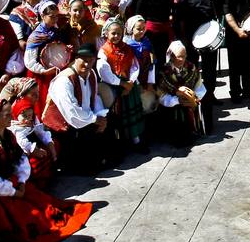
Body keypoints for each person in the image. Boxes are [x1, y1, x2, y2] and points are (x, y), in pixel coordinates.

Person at [0, 98, 93, 242]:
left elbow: (20, 158)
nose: (11, 118)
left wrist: (23, 180)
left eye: (10, 113)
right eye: (6, 115)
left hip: (13, 182)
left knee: (43, 206)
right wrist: (14, 192)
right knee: (22, 221)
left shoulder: (9, 135)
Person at [43, 45, 109, 173]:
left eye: (90, 60)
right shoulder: (64, 80)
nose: (87, 64)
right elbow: (71, 111)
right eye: (83, 60)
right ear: (76, 59)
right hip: (63, 125)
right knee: (87, 164)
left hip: (84, 119)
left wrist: (101, 117)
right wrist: (95, 119)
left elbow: (94, 98)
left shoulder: (91, 74)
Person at [97, 20, 146, 149]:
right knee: (117, 116)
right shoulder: (104, 51)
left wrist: (130, 82)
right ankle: (120, 144)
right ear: (107, 34)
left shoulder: (127, 49)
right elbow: (104, 72)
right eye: (113, 33)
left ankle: (136, 141)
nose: (116, 36)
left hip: (129, 85)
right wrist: (122, 83)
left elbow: (134, 66)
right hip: (113, 88)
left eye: (119, 33)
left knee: (131, 115)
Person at [157, 40, 207, 143]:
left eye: (184, 56)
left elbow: (200, 87)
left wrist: (193, 98)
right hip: (173, 107)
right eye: (178, 56)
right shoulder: (164, 72)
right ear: (171, 56)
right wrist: (177, 100)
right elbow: (161, 95)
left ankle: (195, 129)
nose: (181, 59)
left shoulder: (191, 68)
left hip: (190, 103)